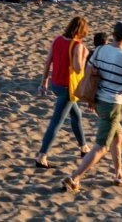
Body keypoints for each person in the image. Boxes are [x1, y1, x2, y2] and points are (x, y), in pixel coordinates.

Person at [62, 21, 122, 192]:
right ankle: (74, 178)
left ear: (113, 34)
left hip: (98, 101)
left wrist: (90, 99)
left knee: (118, 136)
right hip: (112, 104)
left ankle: (119, 175)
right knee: (102, 146)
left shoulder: (100, 50)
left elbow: (90, 73)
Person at [35, 16, 89, 169]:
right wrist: (85, 56)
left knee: (76, 115)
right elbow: (79, 68)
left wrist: (44, 81)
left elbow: (48, 61)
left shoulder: (57, 40)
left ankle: (84, 148)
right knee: (56, 122)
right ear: (82, 31)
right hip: (68, 88)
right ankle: (41, 156)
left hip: (55, 84)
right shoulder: (78, 46)